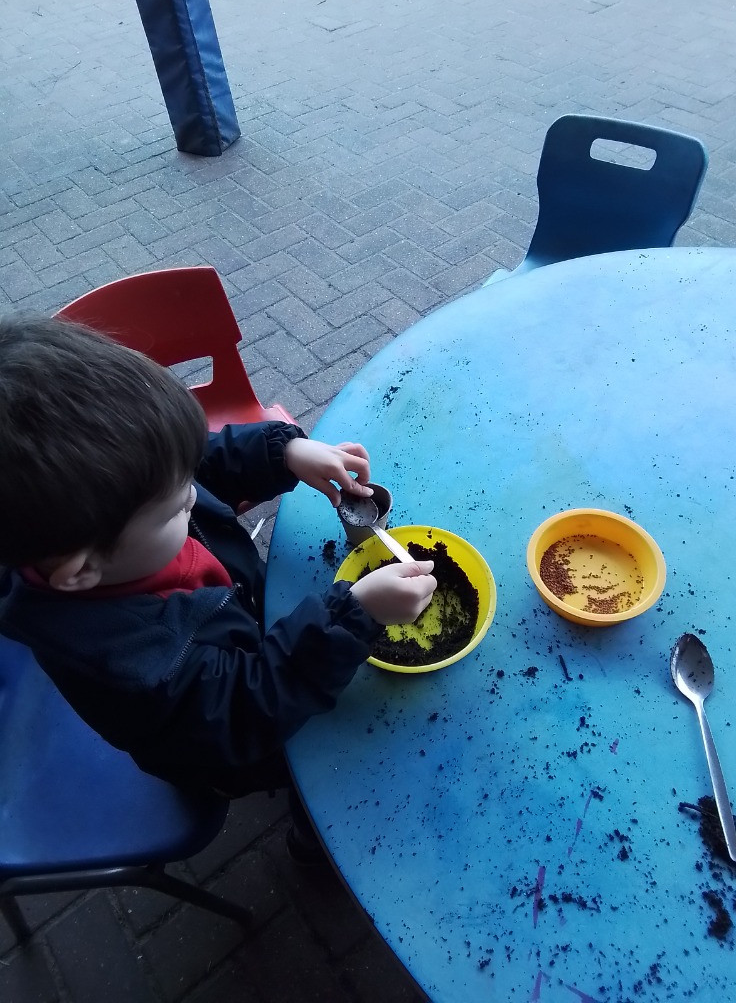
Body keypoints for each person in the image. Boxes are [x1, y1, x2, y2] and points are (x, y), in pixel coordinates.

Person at [0, 312, 436, 862]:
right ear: (80, 570)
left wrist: (283, 453)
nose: (192, 495)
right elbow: (246, 709)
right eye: (175, 507)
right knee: (320, 760)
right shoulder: (135, 669)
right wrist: (354, 616)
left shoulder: (125, 506)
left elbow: (201, 461)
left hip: (241, 639)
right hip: (231, 743)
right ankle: (313, 836)